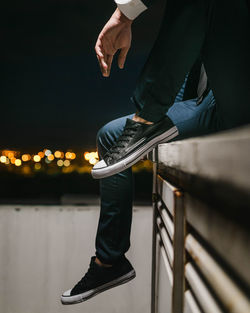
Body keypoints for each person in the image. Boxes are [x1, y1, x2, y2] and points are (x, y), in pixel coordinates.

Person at [61, 0, 250, 305]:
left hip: (238, 93)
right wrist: (123, 16)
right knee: (110, 137)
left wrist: (124, 14)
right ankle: (109, 263)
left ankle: (147, 117)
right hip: (205, 101)